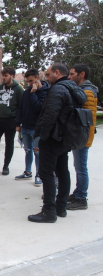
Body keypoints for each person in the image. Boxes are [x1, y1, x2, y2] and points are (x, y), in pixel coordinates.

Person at [28, 63, 87, 223]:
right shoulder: (73, 89)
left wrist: (42, 137)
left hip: (53, 138)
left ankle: (49, 211)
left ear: (57, 72)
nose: (46, 78)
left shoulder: (58, 89)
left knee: (46, 174)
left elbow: (49, 115)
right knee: (62, 172)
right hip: (65, 138)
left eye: (48, 75)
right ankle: (60, 207)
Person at [66, 64, 98, 210]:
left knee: (81, 167)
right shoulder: (84, 90)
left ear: (82, 74)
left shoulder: (87, 91)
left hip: (82, 136)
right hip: (81, 135)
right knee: (78, 166)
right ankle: (78, 192)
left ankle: (81, 198)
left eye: (72, 74)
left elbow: (84, 117)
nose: (70, 76)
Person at [15, 69, 49, 186]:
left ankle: (39, 174)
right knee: (27, 150)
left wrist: (34, 93)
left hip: (37, 128)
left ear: (38, 78)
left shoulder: (46, 92)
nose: (29, 83)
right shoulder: (26, 92)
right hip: (25, 127)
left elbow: (39, 108)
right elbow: (21, 108)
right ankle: (28, 171)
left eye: (31, 81)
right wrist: (18, 124)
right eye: (28, 81)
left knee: (37, 152)